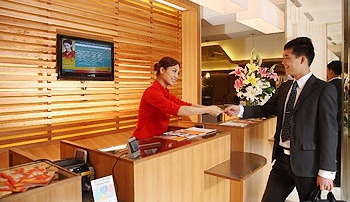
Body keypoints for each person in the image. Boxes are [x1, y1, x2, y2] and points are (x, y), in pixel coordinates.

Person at [224, 37, 338, 201]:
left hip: (308, 164)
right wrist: (241, 109)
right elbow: (266, 109)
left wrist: (326, 171)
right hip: (282, 162)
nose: (283, 62)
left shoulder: (323, 90)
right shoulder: (285, 88)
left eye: (287, 57)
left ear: (302, 59)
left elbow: (329, 132)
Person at [133, 57, 222, 140]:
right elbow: (178, 110)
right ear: (162, 70)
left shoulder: (165, 93)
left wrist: (210, 108)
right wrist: (208, 110)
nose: (176, 76)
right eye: (174, 71)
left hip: (156, 139)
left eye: (178, 73)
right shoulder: (152, 92)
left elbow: (183, 104)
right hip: (143, 140)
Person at [327, 60, 343, 187]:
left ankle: (335, 178)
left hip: (332, 125)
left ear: (331, 71)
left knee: (333, 151)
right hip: (341, 124)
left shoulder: (329, 87)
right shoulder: (342, 85)